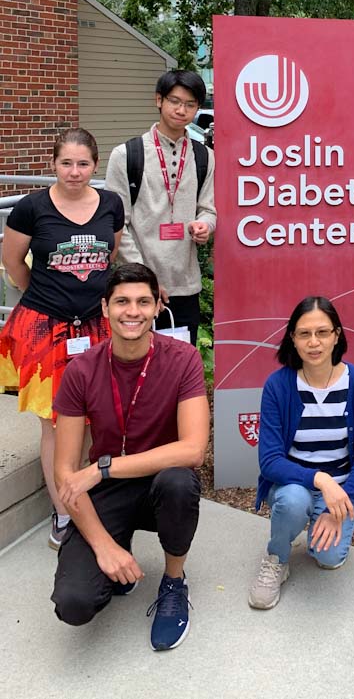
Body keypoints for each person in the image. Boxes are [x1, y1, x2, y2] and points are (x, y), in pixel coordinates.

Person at [50, 263, 209, 650]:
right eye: (122, 301)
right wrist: (104, 547)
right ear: (105, 308)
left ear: (157, 307)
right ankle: (119, 553)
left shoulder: (184, 358)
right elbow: (64, 471)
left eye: (143, 301)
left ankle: (174, 580)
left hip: (159, 481)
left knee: (179, 481)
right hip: (108, 491)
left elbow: (193, 450)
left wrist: (103, 468)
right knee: (74, 604)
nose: (132, 311)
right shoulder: (81, 370)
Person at [0, 128, 123, 550]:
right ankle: (64, 512)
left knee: (95, 416)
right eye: (66, 163)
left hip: (96, 327)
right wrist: (45, 296)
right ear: (53, 163)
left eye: (83, 163)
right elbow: (14, 264)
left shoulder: (110, 204)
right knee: (55, 422)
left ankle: (87, 495)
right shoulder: (31, 208)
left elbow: (110, 258)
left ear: (95, 165)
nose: (74, 171)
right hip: (44, 328)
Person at [249, 296, 354, 610]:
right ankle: (277, 557)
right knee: (293, 501)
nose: (314, 342)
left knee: (328, 559)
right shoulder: (279, 385)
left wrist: (340, 505)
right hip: (295, 485)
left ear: (337, 335)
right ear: (292, 339)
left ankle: (321, 526)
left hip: (342, 491)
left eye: (322, 332)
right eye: (304, 334)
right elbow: (270, 462)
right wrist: (321, 480)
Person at [105, 70, 216, 345]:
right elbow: (117, 223)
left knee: (180, 362)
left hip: (185, 285)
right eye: (174, 101)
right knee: (134, 359)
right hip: (136, 288)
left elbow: (208, 209)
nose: (181, 110)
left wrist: (205, 225)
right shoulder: (126, 155)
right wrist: (146, 279)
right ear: (159, 100)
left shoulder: (204, 156)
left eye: (190, 104)